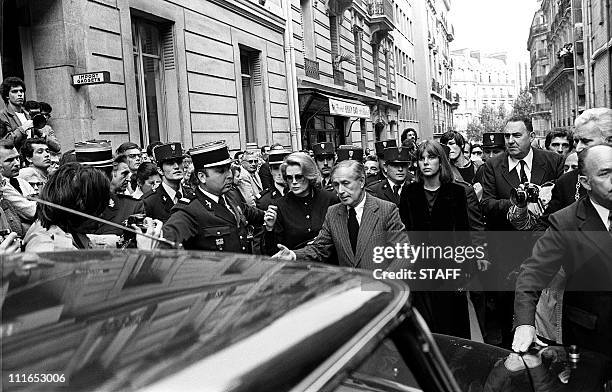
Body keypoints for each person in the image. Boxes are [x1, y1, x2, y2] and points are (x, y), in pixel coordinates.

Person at [512, 145, 612, 373]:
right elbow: (532, 274)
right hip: (592, 341)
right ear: (586, 182)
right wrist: (525, 324)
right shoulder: (565, 222)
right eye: (605, 173)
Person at [480, 115, 564, 347]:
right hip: (506, 255)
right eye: (507, 136)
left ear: (531, 136)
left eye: (517, 135)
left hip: (544, 251)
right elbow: (486, 204)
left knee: (545, 318)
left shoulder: (553, 161)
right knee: (509, 317)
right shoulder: (493, 165)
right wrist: (518, 203)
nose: (510, 141)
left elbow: (561, 203)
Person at [272, 160, 409, 271]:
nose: (341, 191)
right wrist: (294, 255)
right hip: (349, 291)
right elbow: (320, 248)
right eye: (336, 185)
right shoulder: (333, 213)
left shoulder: (386, 210)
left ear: (361, 181)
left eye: (345, 183)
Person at [398, 141, 472, 338]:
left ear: (441, 161)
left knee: (451, 329)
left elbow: (464, 236)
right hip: (418, 270)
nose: (426, 162)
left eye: (431, 157)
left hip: (448, 270)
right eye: (421, 159)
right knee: (425, 332)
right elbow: (402, 234)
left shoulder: (456, 192)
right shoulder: (409, 192)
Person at [161, 141, 277, 252]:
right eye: (221, 171)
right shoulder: (189, 210)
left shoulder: (231, 196)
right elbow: (165, 242)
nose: (229, 175)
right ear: (202, 177)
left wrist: (272, 215)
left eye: (229, 169)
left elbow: (253, 213)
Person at [24, 162, 161, 251]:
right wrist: (146, 254)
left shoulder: (55, 227)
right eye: (99, 208)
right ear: (81, 205)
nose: (101, 215)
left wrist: (126, 239)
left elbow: (89, 241)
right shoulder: (51, 251)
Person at [262, 152, 337, 256]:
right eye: (289, 177)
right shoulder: (280, 206)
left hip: (330, 266)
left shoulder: (330, 199)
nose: (294, 182)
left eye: (299, 177)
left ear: (309, 175)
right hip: (297, 267)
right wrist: (269, 229)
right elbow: (273, 253)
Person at [545, 108, 612, 216]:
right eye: (577, 141)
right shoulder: (565, 183)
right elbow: (544, 227)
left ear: (609, 141)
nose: (578, 148)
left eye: (585, 141)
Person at [143, 143, 194, 222]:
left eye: (179, 162)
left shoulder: (191, 194)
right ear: (160, 170)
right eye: (170, 163)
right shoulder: (149, 202)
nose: (176, 166)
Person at [0, 139, 37, 223]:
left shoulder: (22, 182)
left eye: (17, 158)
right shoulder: (2, 187)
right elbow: (32, 211)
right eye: (9, 160)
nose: (17, 163)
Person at [0, 77, 31, 151]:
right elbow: (5, 142)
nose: (20, 94)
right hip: (16, 159)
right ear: (7, 95)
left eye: (21, 91)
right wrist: (23, 128)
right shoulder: (2, 115)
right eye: (15, 91)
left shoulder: (28, 115)